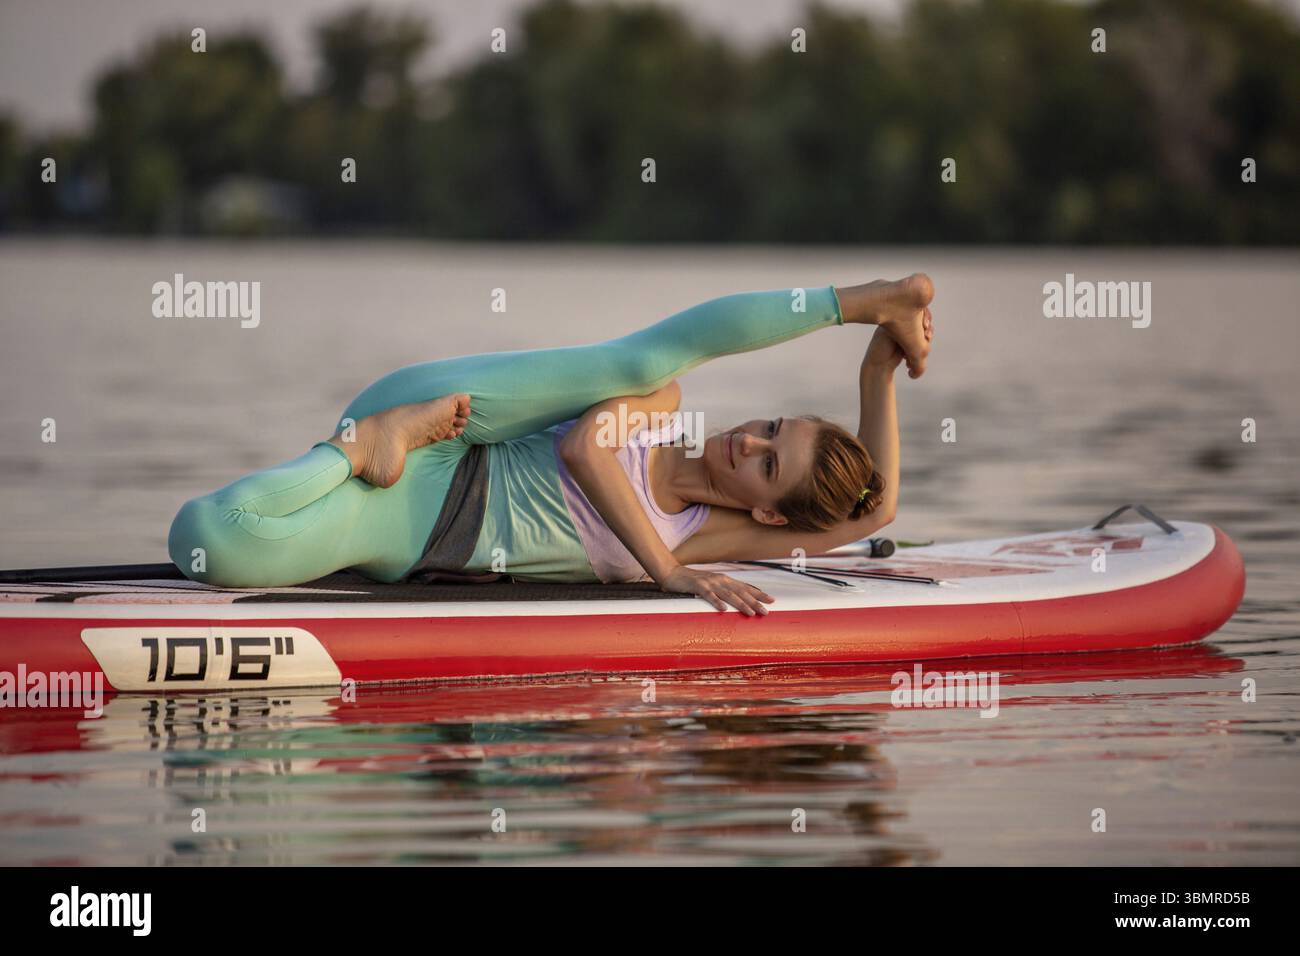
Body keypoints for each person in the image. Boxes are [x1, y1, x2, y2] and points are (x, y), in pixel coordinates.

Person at [168, 275, 935, 615]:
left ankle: (353, 447)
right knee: (643, 360)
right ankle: (869, 295)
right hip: (451, 429)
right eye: (770, 427)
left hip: (413, 531)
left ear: (771, 518)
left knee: (210, 543)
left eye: (769, 465)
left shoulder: (711, 538)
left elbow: (874, 511)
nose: (749, 443)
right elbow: (581, 455)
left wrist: (879, 373)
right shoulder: (656, 407)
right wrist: (875, 315)